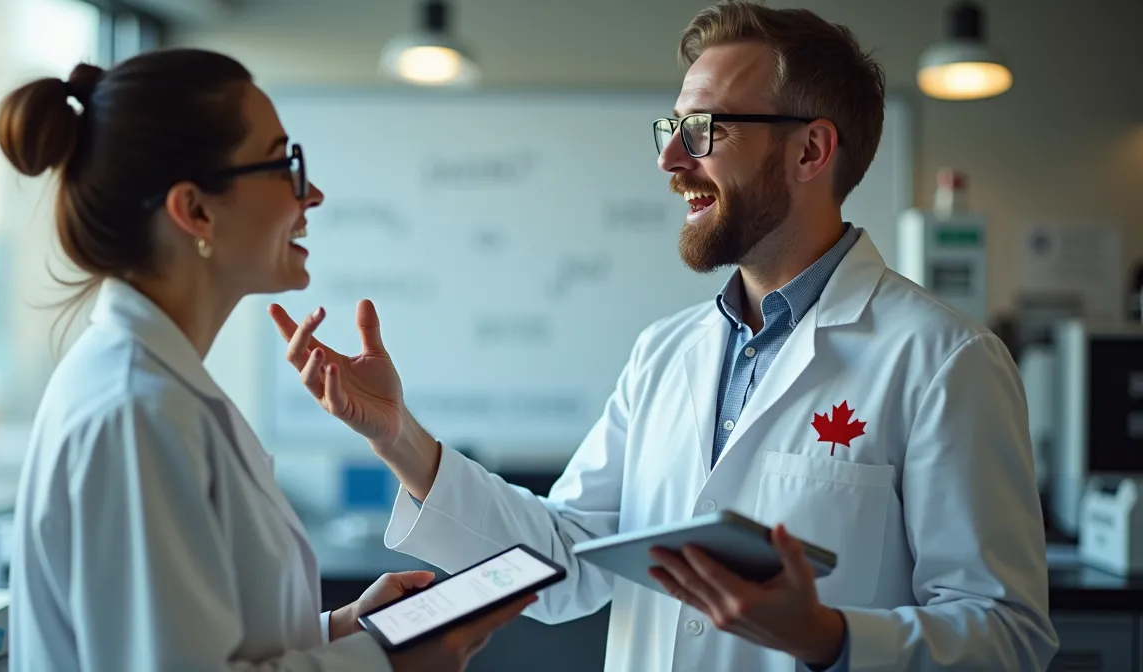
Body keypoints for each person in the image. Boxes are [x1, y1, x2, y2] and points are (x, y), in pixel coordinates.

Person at [269, 2, 1060, 670]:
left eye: (704, 129)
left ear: (811, 149)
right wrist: (399, 436)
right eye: (672, 128)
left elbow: (1009, 634)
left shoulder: (943, 360)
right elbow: (566, 562)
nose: (671, 159)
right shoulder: (666, 353)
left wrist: (828, 637)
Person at [0, 48, 533, 672]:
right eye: (285, 165)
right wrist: (386, 663)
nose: (314, 195)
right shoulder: (137, 412)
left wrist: (341, 632)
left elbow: (201, 643)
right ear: (196, 210)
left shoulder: (157, 390)